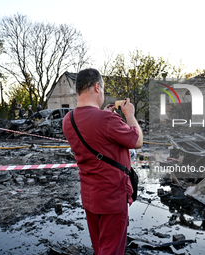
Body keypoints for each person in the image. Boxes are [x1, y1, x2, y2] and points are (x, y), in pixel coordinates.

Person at [62, 68, 143, 255]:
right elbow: (137, 141)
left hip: (90, 197)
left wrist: (106, 116)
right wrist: (129, 115)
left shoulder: (68, 119)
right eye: (103, 88)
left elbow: (94, 136)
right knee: (112, 250)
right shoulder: (107, 119)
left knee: (100, 247)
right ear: (97, 87)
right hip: (112, 198)